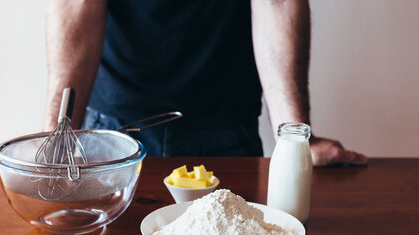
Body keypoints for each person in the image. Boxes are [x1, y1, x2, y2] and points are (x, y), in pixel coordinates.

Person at [43, 0, 367, 166]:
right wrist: (53, 140)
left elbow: (276, 3)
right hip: (113, 130)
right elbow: (77, 5)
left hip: (225, 128)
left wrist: (295, 140)